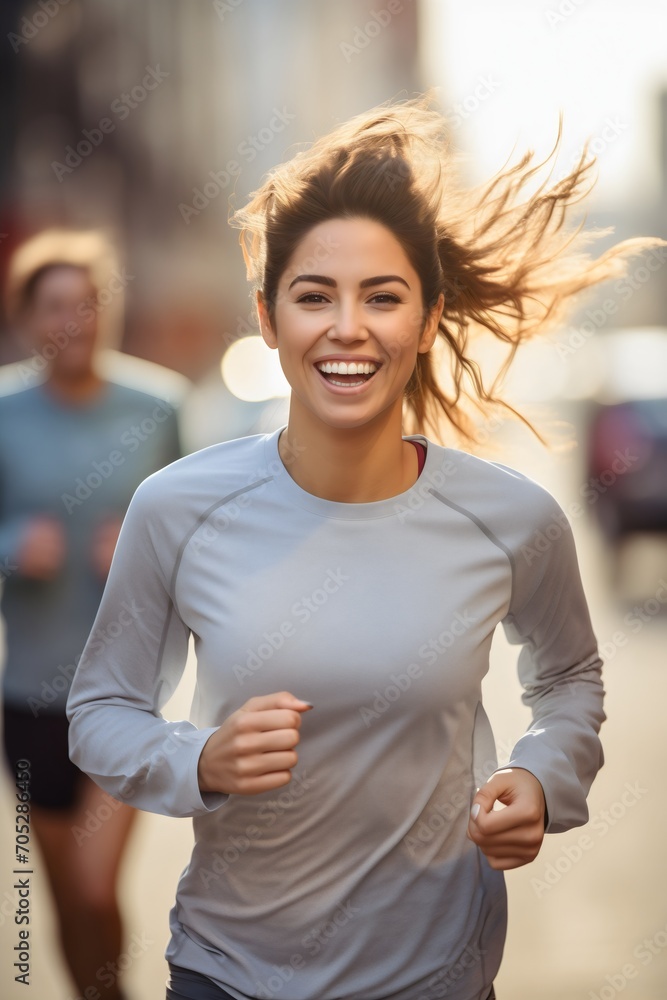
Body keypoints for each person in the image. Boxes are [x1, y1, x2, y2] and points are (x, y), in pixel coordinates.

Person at [66, 97, 660, 1000]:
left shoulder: (510, 517)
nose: (348, 327)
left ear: (427, 321)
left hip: (440, 980)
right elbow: (102, 710)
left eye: (382, 297)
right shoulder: (178, 506)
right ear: (268, 320)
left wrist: (541, 779)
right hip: (229, 975)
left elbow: (569, 678)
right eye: (314, 297)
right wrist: (198, 762)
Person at [0, 228, 188, 1000]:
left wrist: (145, 549)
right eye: (55, 308)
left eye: (88, 305)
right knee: (62, 901)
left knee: (92, 888)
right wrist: (12, 544)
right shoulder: (3, 412)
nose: (72, 323)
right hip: (30, 697)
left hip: (124, 697)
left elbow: (200, 538)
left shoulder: (159, 408)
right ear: (26, 318)